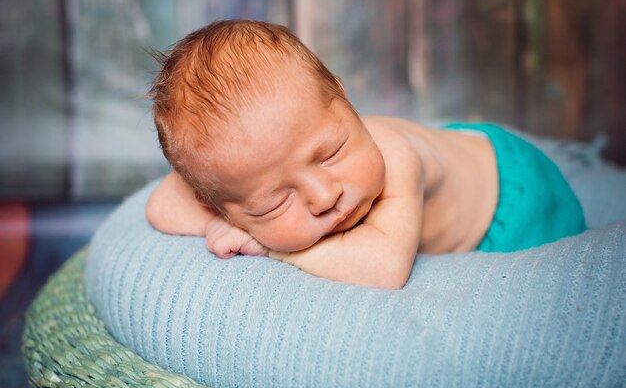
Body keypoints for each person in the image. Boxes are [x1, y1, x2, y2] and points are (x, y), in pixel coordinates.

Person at [146, 19, 586, 289]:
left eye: (331, 152)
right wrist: (228, 218)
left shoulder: (395, 160)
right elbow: (161, 205)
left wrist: (265, 241)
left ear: (341, 93)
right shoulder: (242, 176)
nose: (324, 195)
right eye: (275, 201)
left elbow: (385, 268)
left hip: (513, 201)